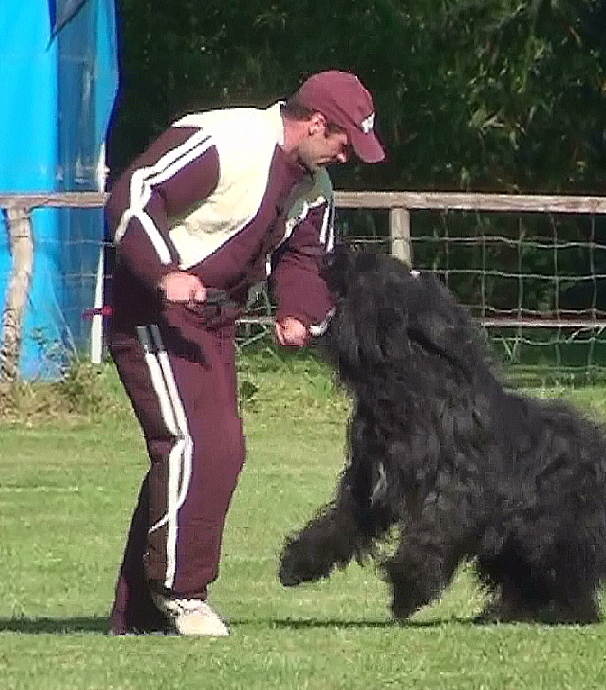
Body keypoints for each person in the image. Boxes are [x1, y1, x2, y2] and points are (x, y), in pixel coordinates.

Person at [104, 71, 385, 636]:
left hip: (213, 323)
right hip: (153, 311)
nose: (345, 156)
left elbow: (306, 260)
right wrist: (164, 273)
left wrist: (297, 314)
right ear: (314, 123)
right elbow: (133, 194)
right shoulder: (225, 143)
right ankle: (181, 595)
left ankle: (137, 615)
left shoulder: (314, 189)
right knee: (195, 443)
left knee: (218, 449)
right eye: (342, 142)